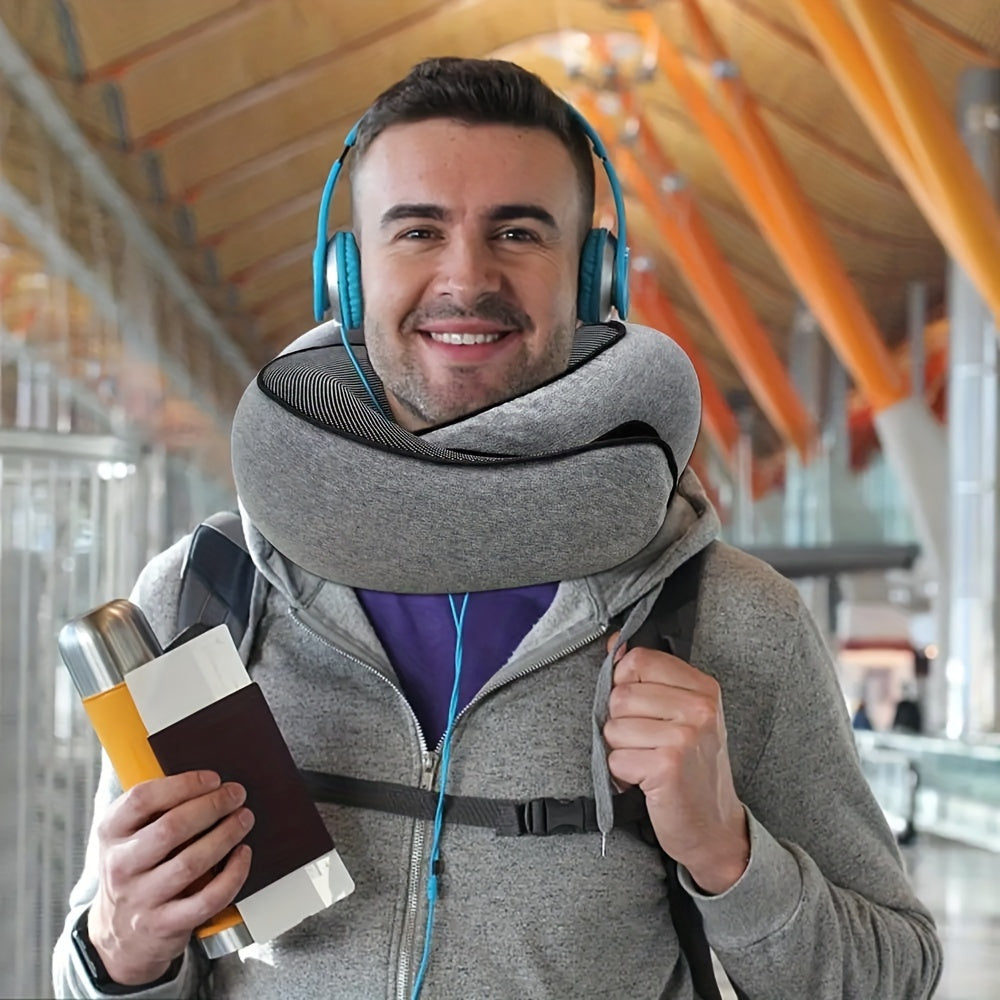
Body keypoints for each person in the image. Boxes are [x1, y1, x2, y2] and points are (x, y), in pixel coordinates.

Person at [53, 57, 941, 999]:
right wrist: (120, 946)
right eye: (418, 231)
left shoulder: (730, 619)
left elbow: (894, 976)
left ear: (594, 277)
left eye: (517, 232)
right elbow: (91, 972)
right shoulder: (206, 599)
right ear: (346, 277)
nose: (467, 277)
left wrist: (730, 855)